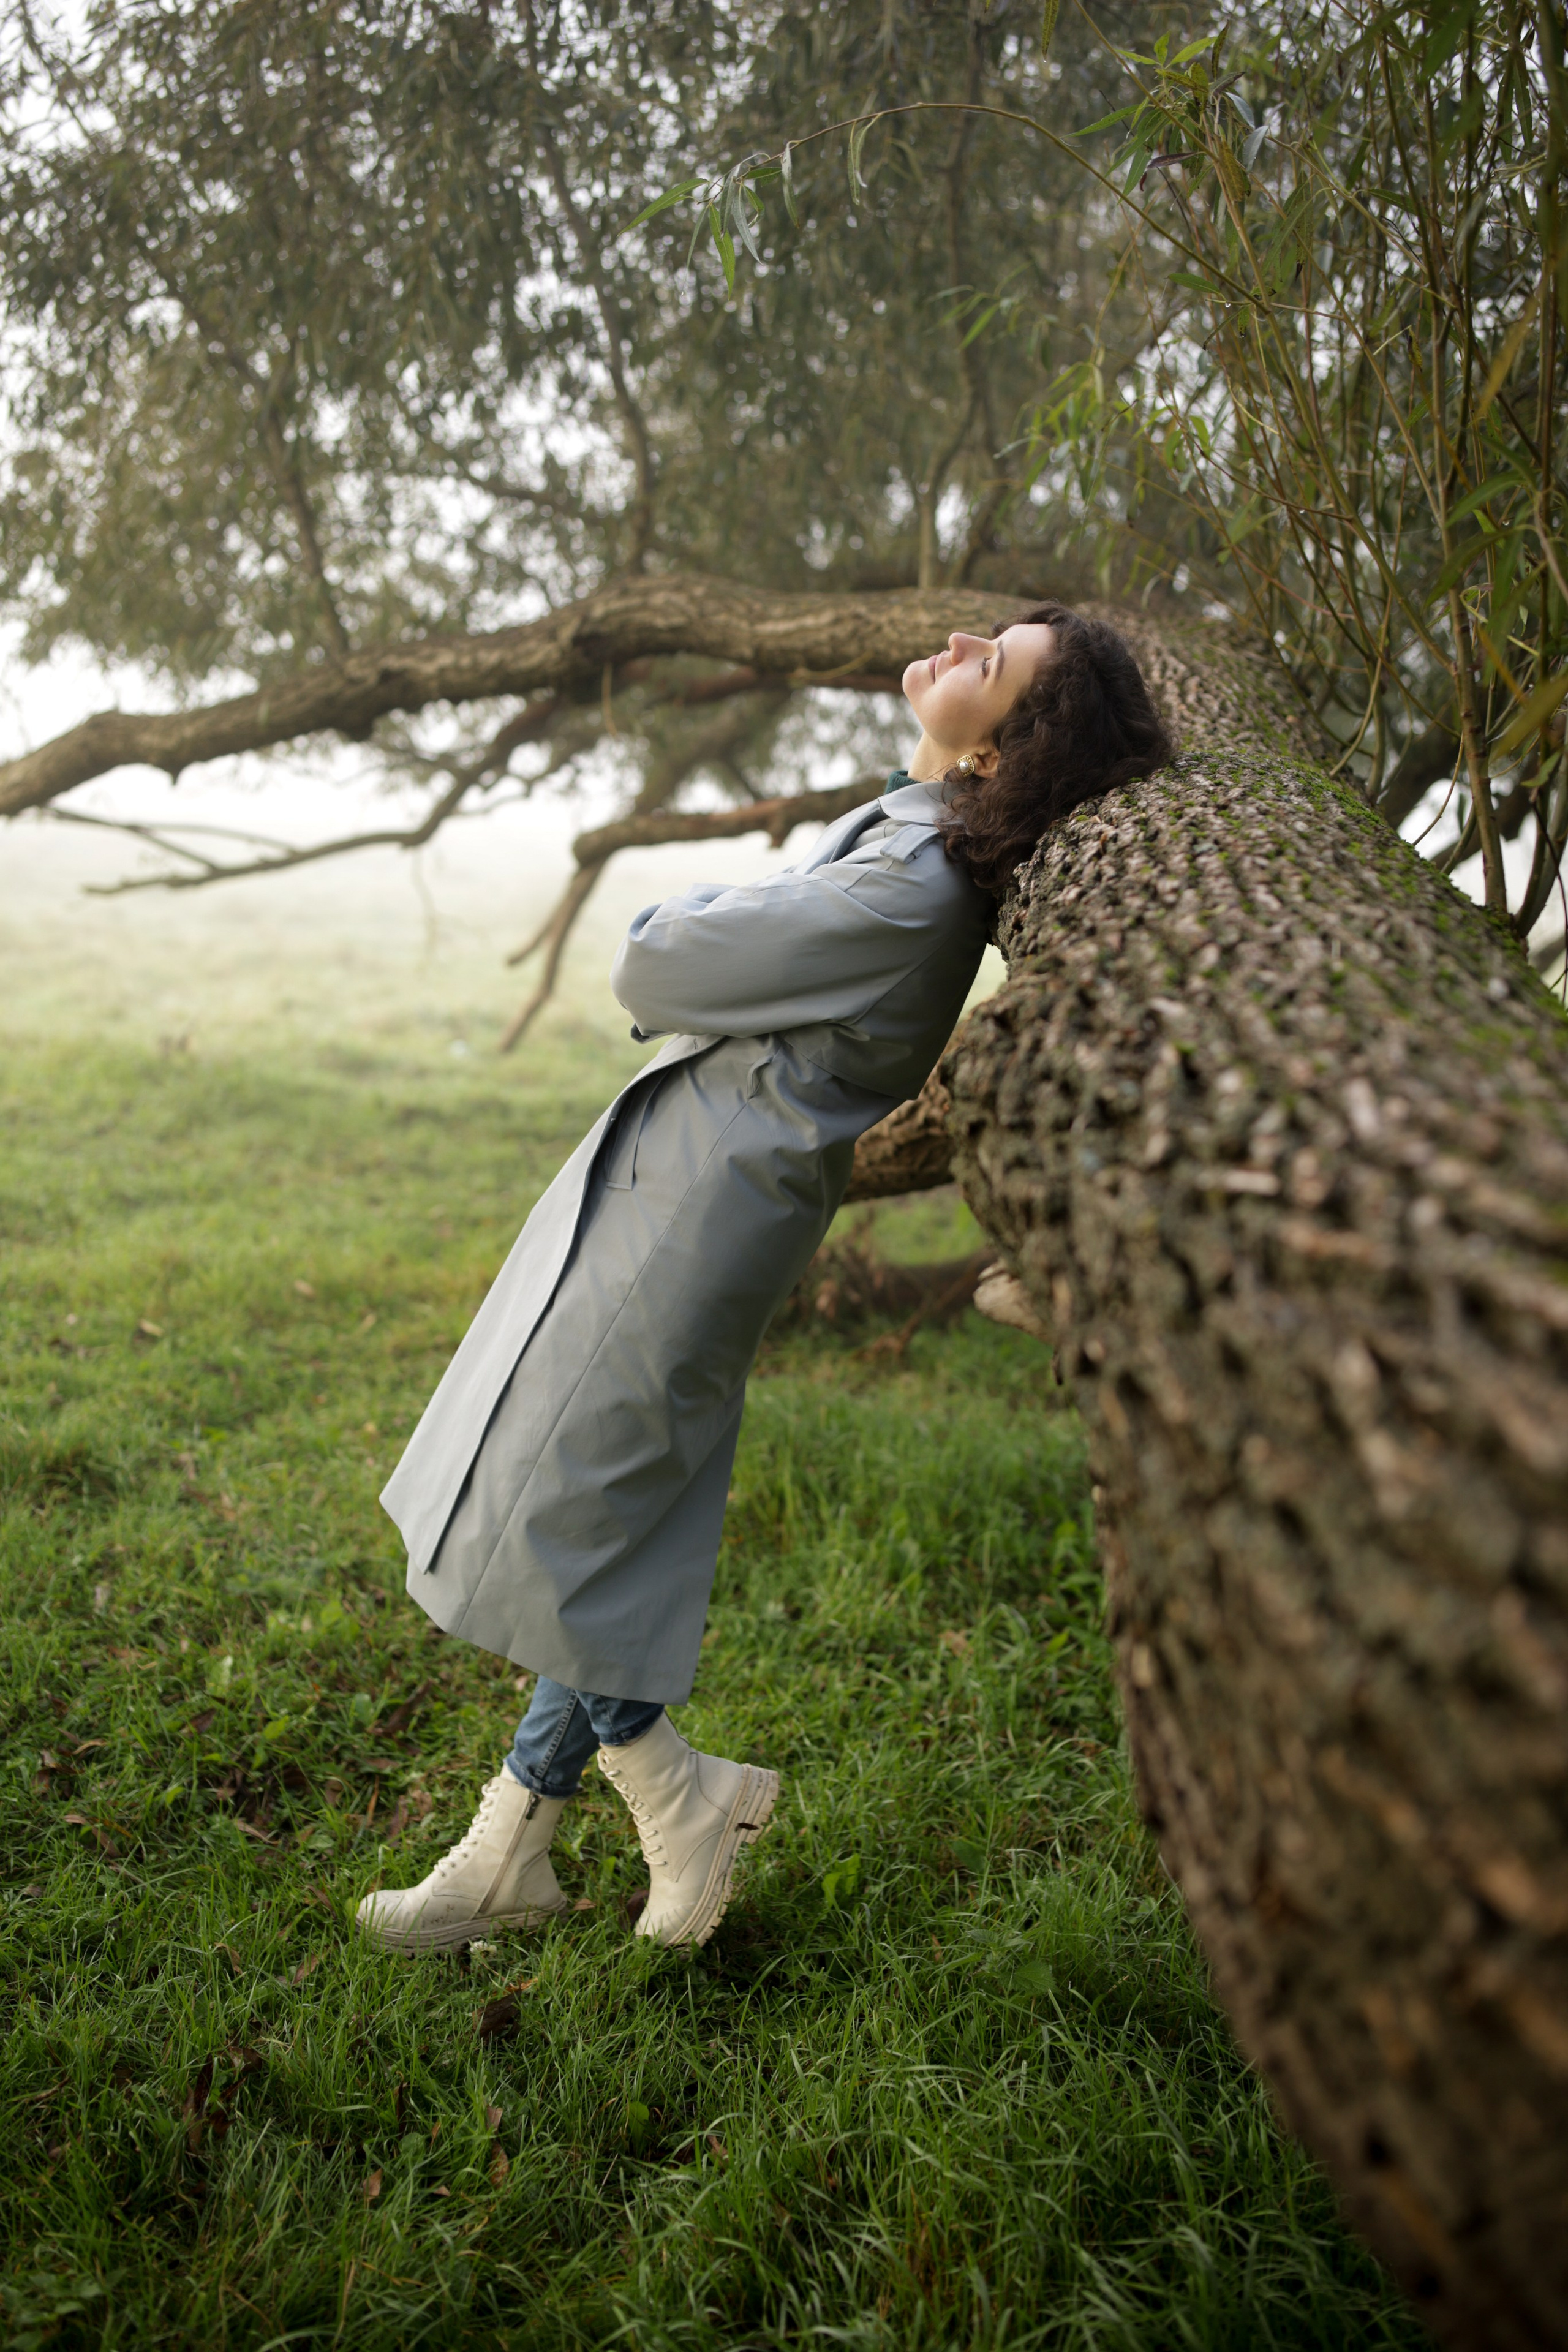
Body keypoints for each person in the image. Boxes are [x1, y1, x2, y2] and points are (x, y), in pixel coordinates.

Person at [356, 601, 1172, 1955]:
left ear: (1003, 748)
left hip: (695, 1211)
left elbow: (658, 954)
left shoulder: (906, 886)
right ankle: (509, 1847)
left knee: (563, 1513)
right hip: (693, 1184)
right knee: (600, 1514)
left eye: (998, 665)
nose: (963, 643)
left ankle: (682, 1803)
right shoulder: (912, 838)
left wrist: (706, 918)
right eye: (984, 632)